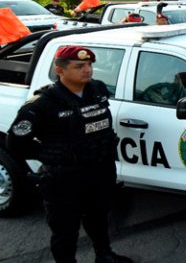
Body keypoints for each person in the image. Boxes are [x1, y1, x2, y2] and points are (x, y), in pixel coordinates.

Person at [6, 46, 133, 263]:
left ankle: (104, 255)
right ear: (60, 70)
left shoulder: (98, 90)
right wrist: (51, 155)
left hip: (99, 170)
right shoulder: (42, 104)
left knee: (99, 217)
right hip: (64, 177)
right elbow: (16, 143)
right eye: (79, 66)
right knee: (65, 229)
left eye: (89, 64)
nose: (87, 70)